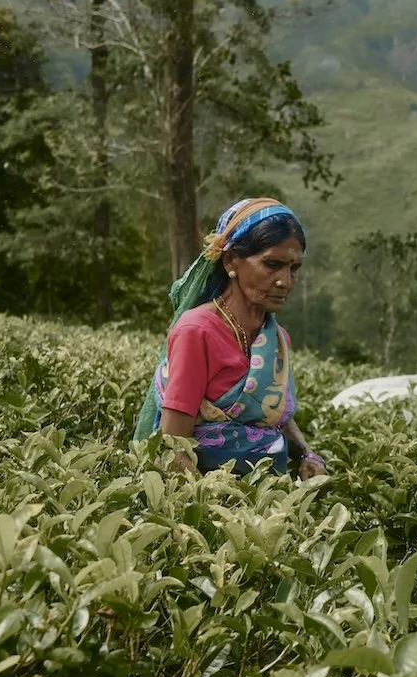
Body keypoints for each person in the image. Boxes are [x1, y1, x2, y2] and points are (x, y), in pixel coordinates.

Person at [132, 198, 327, 478]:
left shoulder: (276, 337)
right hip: (217, 504)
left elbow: (271, 412)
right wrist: (225, 509)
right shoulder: (197, 331)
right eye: (272, 264)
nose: (286, 281)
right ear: (231, 261)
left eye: (293, 268)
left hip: (273, 498)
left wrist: (307, 455)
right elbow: (172, 448)